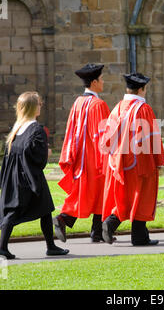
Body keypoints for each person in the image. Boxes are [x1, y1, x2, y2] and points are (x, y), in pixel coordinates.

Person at [0, 91, 69, 259]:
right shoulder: (36, 129)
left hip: (15, 176)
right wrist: (47, 152)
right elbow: (37, 156)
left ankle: (51, 246)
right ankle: (2, 248)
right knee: (13, 211)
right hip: (30, 177)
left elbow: (15, 154)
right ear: (32, 107)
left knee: (45, 209)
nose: (41, 106)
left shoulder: (17, 128)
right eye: (39, 104)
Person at [101, 72, 164, 246]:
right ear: (142, 89)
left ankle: (136, 233)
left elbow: (107, 137)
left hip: (120, 162)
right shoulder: (143, 109)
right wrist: (157, 160)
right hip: (140, 162)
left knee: (127, 197)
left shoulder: (118, 107)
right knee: (142, 196)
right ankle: (122, 228)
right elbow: (151, 137)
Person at [53, 64, 111, 243]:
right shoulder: (99, 105)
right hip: (95, 159)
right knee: (96, 192)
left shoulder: (78, 102)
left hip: (79, 156)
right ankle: (64, 218)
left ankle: (96, 231)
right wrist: (109, 158)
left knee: (87, 192)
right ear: (94, 82)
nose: (103, 82)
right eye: (101, 79)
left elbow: (71, 131)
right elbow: (103, 135)